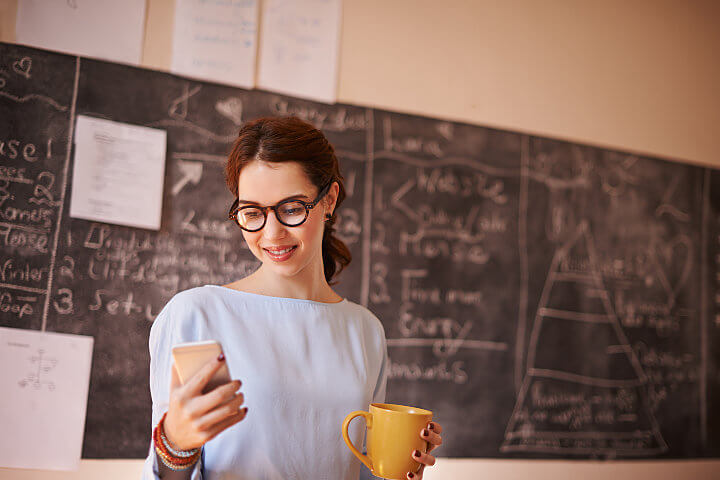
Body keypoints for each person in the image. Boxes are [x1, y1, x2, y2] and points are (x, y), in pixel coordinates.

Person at [141, 116, 443, 480]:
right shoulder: (198, 315)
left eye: (291, 209)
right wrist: (176, 444)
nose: (271, 233)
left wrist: (403, 466)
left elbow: (363, 469)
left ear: (328, 199)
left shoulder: (365, 331)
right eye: (252, 212)